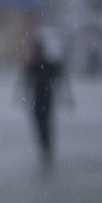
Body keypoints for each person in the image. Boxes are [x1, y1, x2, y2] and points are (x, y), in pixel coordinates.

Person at [23, 32, 70, 163]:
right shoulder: (35, 65)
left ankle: (46, 150)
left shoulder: (45, 64)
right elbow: (26, 82)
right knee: (41, 125)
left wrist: (65, 95)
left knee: (45, 125)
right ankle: (45, 149)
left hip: (45, 98)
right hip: (39, 98)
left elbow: (60, 79)